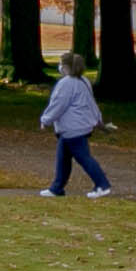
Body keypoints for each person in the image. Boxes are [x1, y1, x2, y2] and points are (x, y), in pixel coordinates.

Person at [34, 49, 112, 198]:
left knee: (83, 157)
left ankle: (102, 184)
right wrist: (98, 121)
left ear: (65, 67)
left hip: (72, 128)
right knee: (63, 157)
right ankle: (57, 188)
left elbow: (58, 105)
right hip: (79, 126)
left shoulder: (66, 83)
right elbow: (91, 103)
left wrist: (45, 120)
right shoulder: (83, 81)